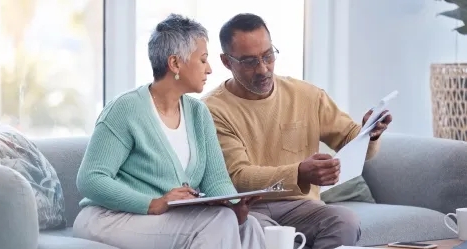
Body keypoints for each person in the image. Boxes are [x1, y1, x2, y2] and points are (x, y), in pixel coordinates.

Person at [72, 14, 266, 249]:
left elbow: (216, 182)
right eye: (203, 60)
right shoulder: (125, 109)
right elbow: (90, 179)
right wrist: (153, 203)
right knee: (220, 222)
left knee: (248, 225)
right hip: (110, 218)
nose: (210, 69)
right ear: (175, 64)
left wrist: (235, 204)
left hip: (163, 220)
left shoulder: (198, 113)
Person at [202, 13, 393, 249]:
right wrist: (300, 173)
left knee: (346, 221)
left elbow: (351, 141)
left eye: (268, 56)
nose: (263, 69)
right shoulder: (212, 109)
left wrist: (370, 133)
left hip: (302, 206)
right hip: (248, 208)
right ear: (226, 62)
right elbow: (239, 178)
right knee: (256, 233)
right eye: (250, 62)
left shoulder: (307, 95)